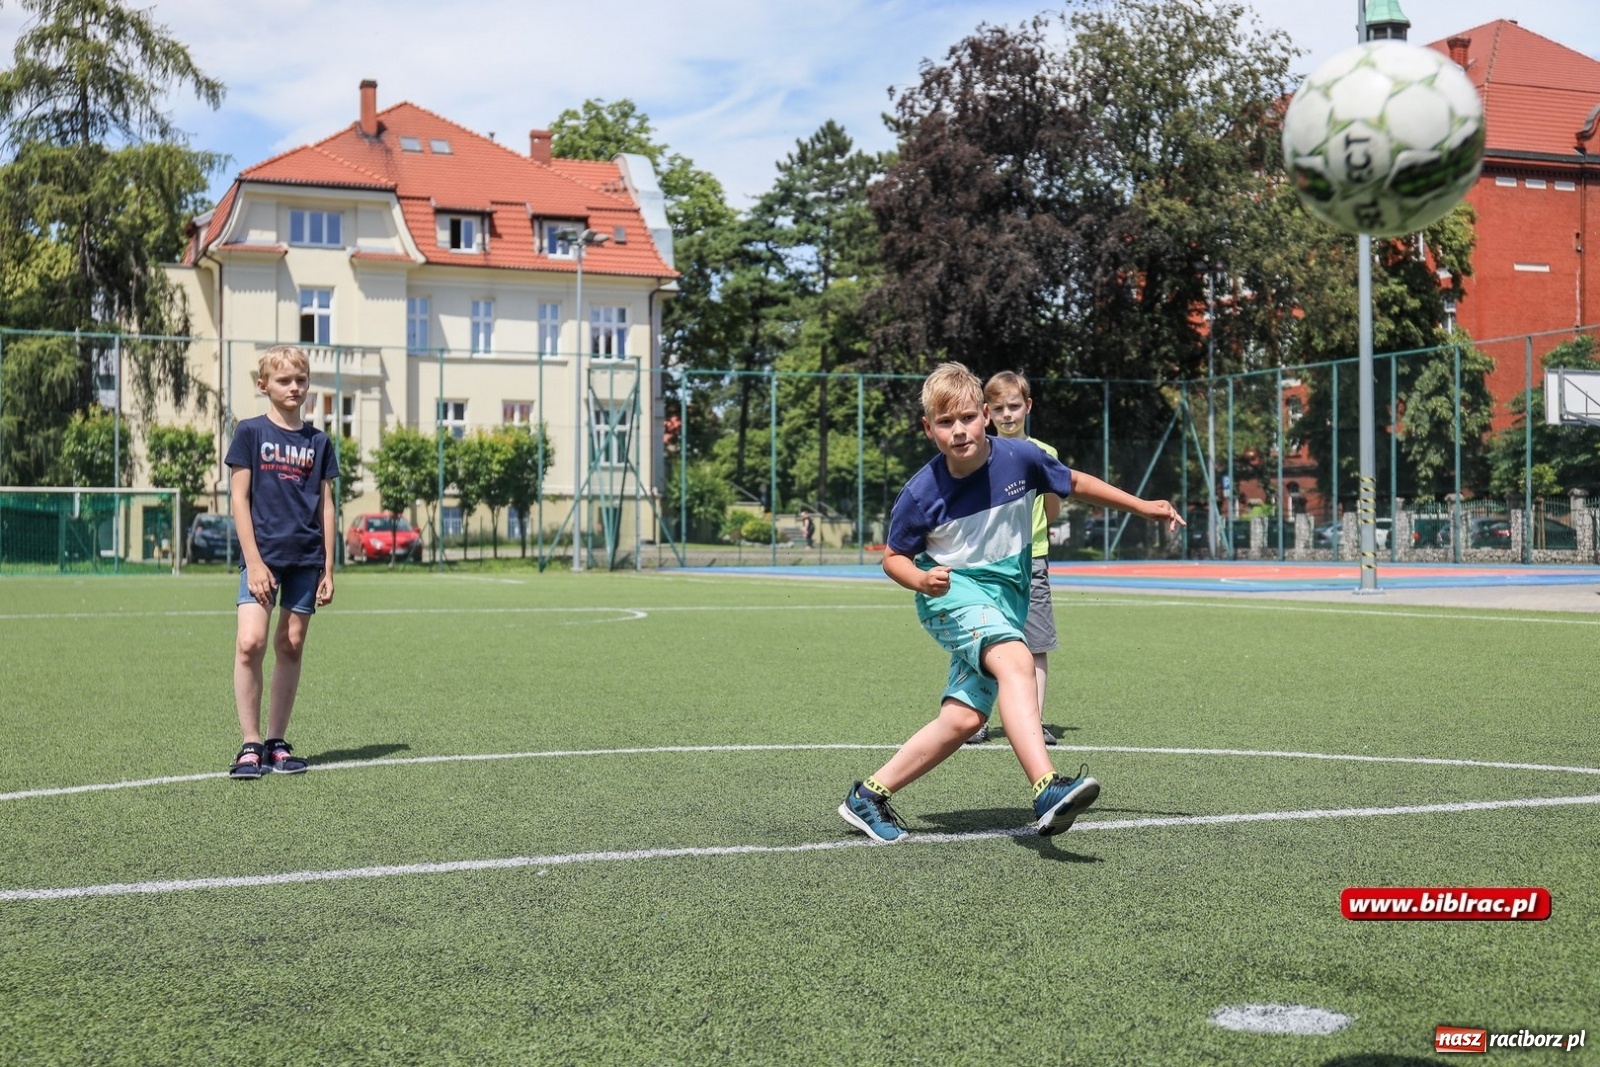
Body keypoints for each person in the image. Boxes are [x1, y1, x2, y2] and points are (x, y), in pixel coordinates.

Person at [838, 362, 1183, 842]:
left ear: (984, 416)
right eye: (945, 422)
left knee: (964, 718)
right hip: (951, 598)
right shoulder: (920, 493)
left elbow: (1076, 482)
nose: (959, 431)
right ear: (928, 429)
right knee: (1018, 660)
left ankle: (867, 796)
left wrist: (1143, 506)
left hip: (1004, 603)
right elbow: (893, 558)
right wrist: (919, 579)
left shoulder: (1022, 458)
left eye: (966, 418)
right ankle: (1046, 787)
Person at [224, 345, 338, 779]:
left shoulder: (319, 441)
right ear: (263, 385)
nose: (294, 388)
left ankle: (276, 742)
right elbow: (239, 498)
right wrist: (253, 562)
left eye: (301, 380)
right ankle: (250, 744)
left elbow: (326, 505)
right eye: (284, 380)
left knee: (290, 644)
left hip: (306, 558)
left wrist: (329, 567)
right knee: (250, 642)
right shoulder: (250, 433)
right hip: (264, 558)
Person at [967, 370, 1061, 746]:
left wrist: (1034, 531)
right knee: (982, 641)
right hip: (986, 564)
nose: (1007, 414)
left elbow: (1052, 508)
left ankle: (1032, 722)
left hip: (1031, 560)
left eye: (1014, 406)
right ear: (986, 412)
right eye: (999, 408)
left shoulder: (1044, 454)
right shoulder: (977, 454)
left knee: (1036, 642)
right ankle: (974, 719)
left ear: (1028, 406)